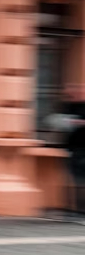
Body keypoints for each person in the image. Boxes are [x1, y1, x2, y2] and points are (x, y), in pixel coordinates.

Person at [49, 83, 85, 219]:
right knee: (72, 180)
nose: (69, 94)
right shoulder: (68, 106)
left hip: (82, 149)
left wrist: (76, 122)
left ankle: (81, 210)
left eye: (72, 92)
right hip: (72, 149)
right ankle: (72, 209)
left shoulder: (83, 107)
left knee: (81, 181)